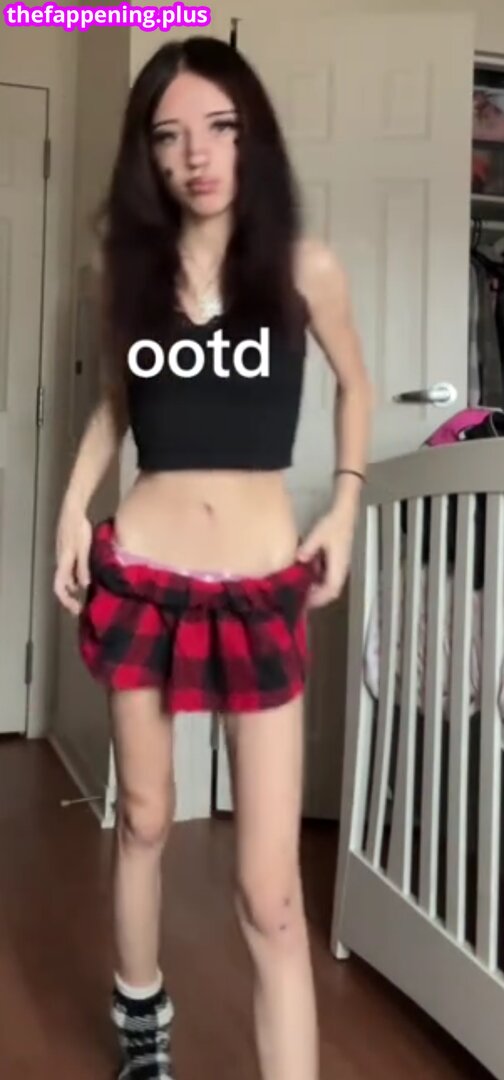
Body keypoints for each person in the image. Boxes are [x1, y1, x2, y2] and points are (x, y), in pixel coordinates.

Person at [53, 35, 373, 1080]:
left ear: (253, 137)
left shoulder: (303, 266)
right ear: (146, 155)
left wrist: (348, 504)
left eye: (220, 127)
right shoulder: (130, 275)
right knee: (144, 817)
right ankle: (142, 1013)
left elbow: (355, 384)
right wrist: (72, 510)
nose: (196, 154)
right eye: (169, 136)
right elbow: (117, 405)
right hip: (143, 575)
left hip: (258, 592)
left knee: (270, 894)